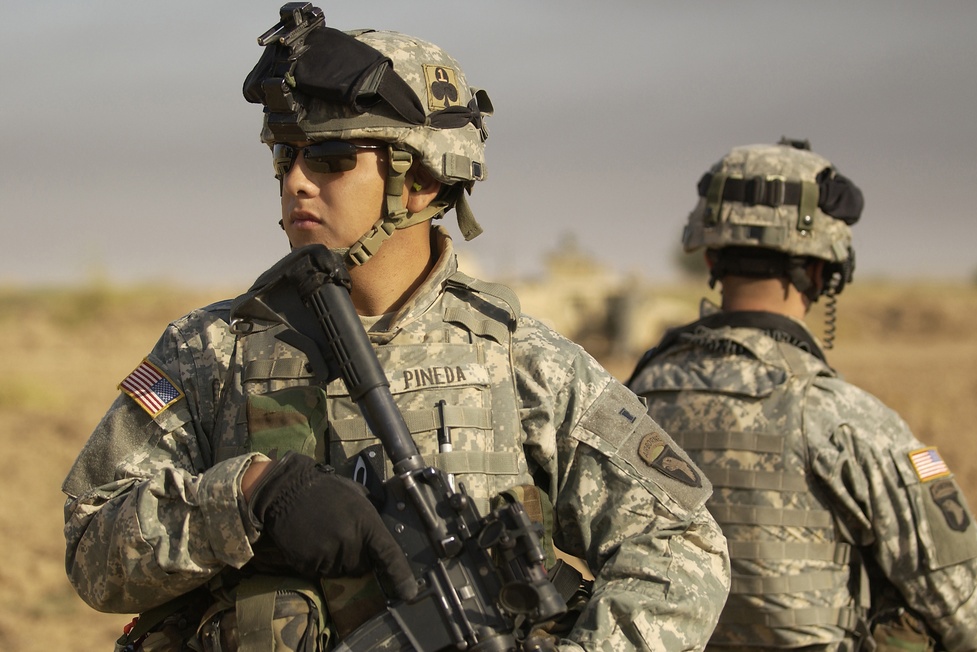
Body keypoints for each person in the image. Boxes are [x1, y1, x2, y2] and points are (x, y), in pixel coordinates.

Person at [62, 5, 729, 651]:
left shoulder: (519, 361)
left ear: (421, 179)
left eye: (328, 158)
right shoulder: (212, 352)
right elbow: (91, 548)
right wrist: (245, 499)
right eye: (284, 156)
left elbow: (680, 548)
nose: (295, 181)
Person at [626, 138, 977, 651]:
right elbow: (975, 607)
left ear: (711, 255)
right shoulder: (843, 418)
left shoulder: (635, 400)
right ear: (824, 270)